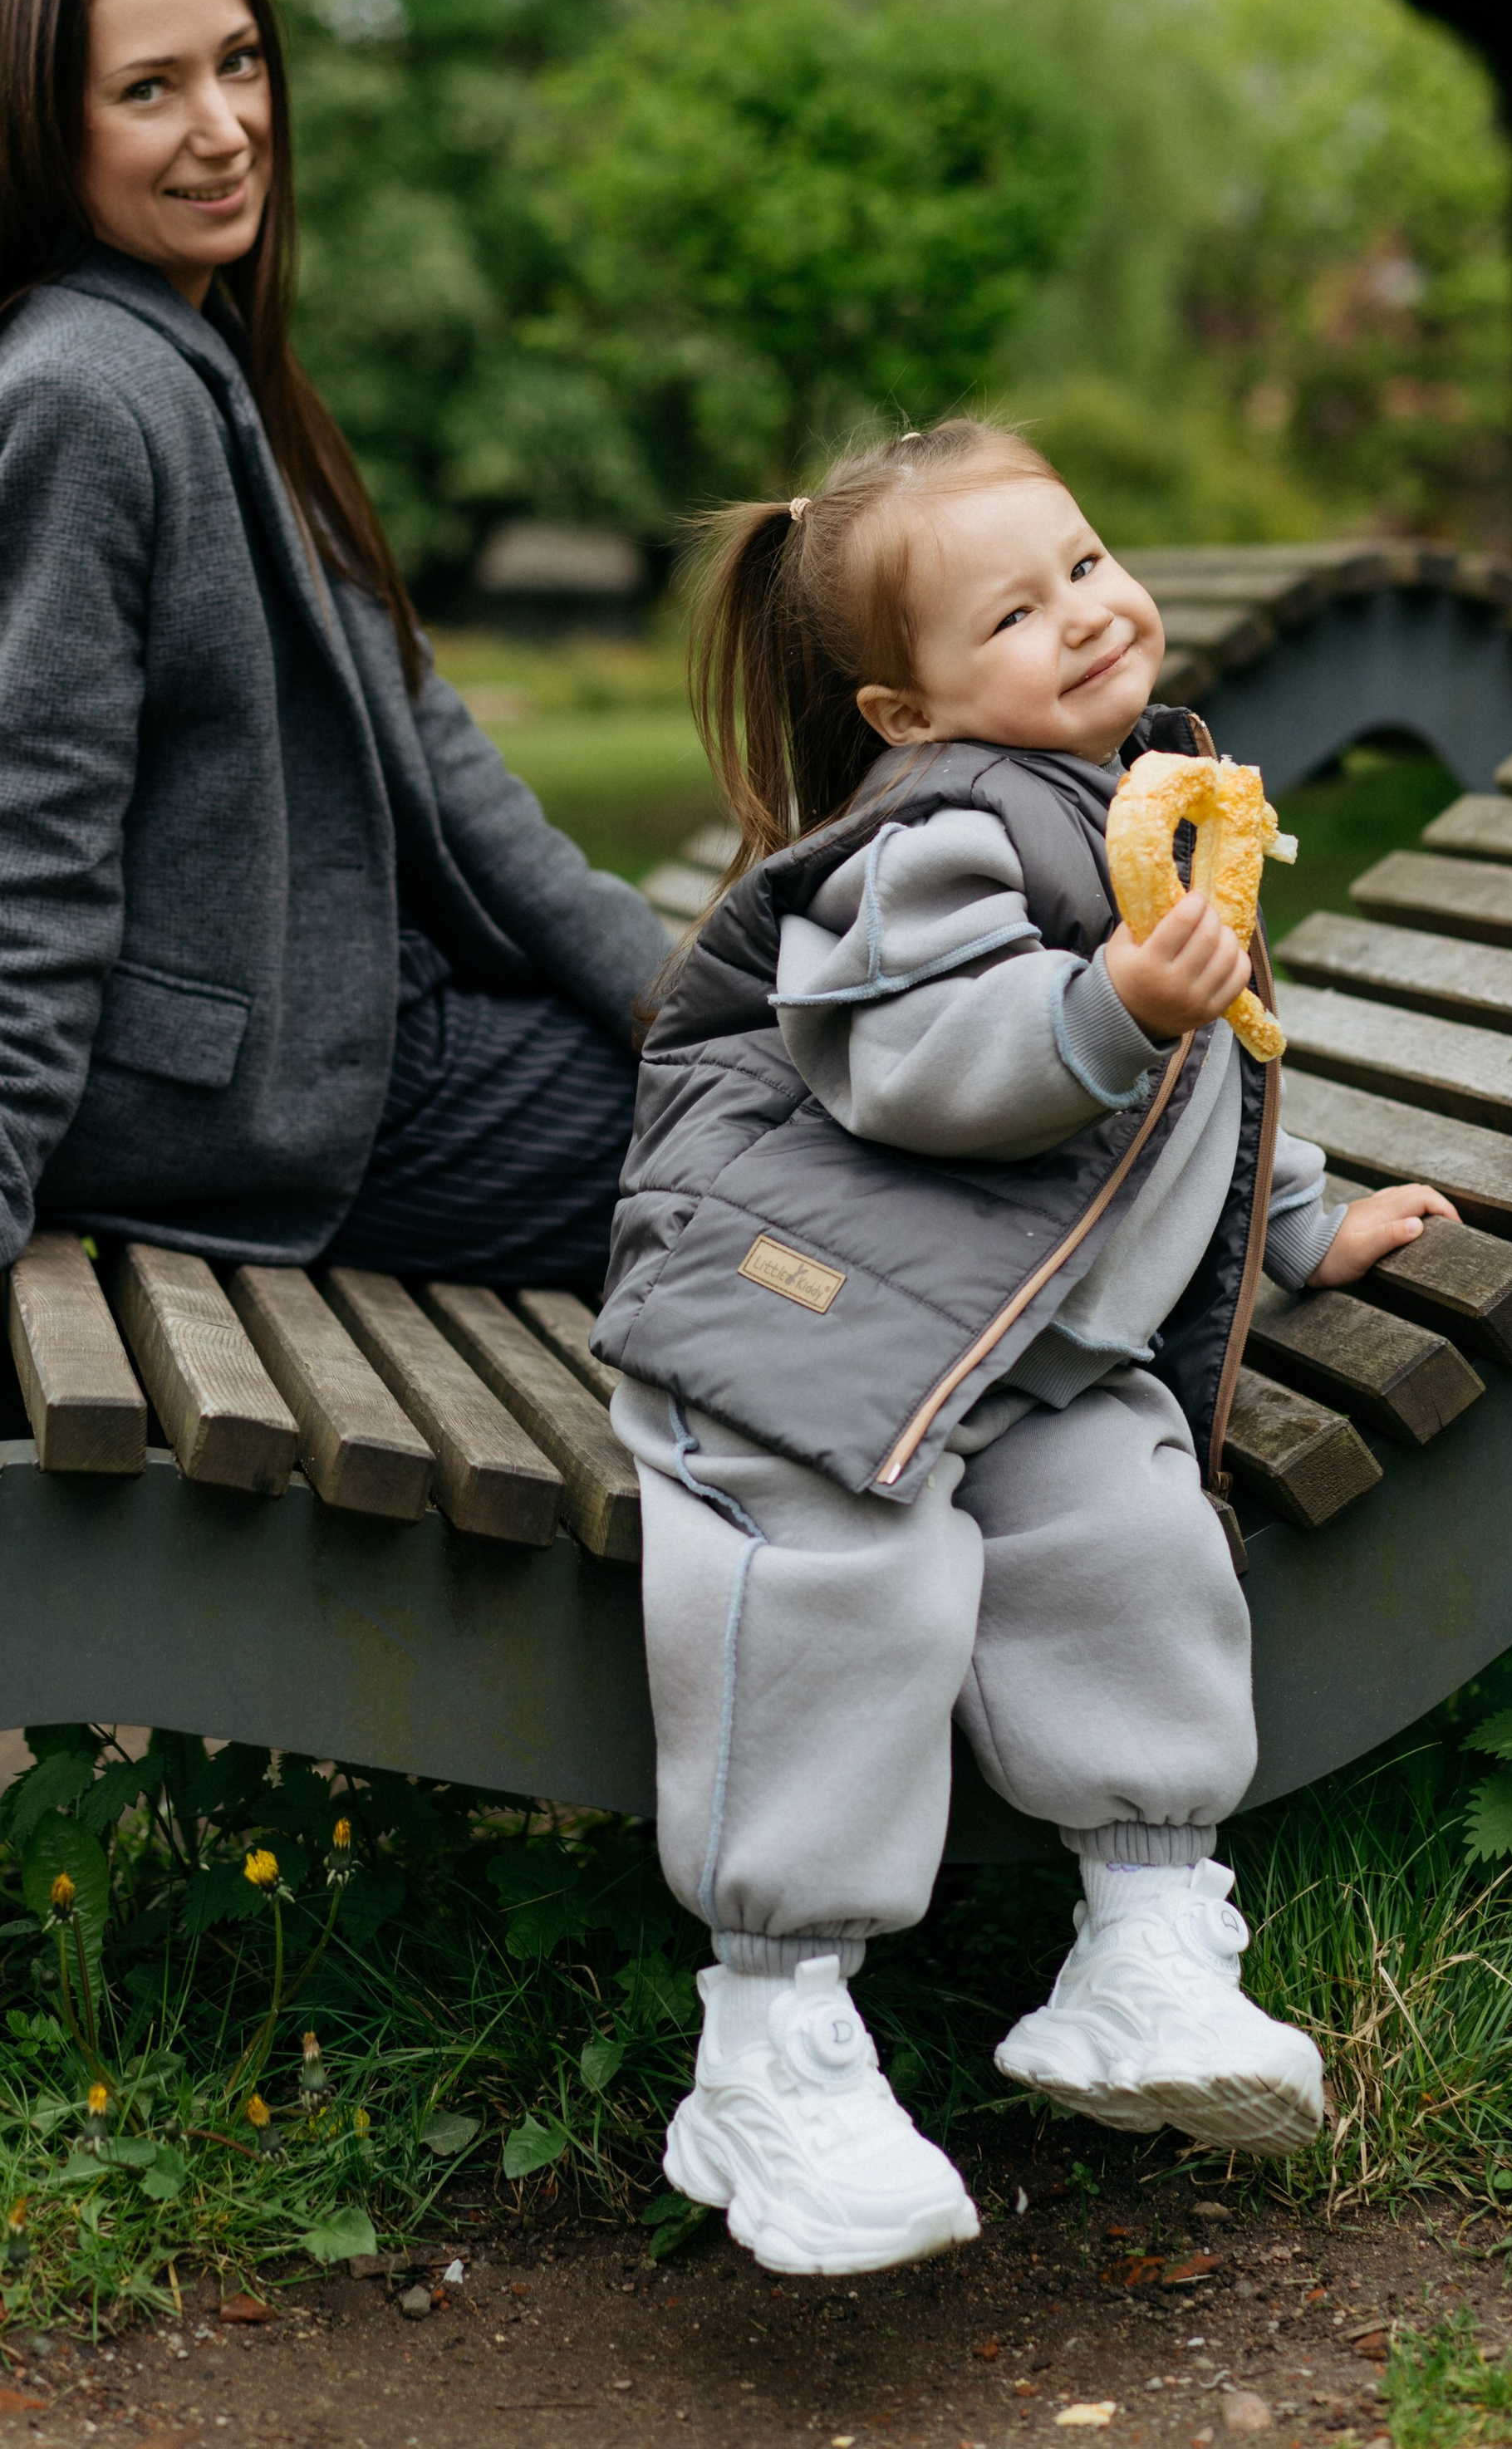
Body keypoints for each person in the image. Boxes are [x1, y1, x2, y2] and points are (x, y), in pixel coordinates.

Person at [593, 421, 1457, 2280]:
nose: (1079, 616)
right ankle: (768, 2038)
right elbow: (924, 1069)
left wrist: (1303, 1219)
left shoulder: (1147, 794)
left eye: (1080, 564)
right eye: (1011, 611)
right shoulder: (939, 836)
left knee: (1132, 1531)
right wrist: (1097, 1009)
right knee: (848, 1580)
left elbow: (1193, 1088)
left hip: (1009, 1353)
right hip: (798, 1326)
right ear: (909, 709)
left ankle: (1143, 1941)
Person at [0, 0, 665, 1343]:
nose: (224, 128)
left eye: (238, 63)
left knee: (783, 1087)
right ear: (42, 130)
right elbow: (17, 817)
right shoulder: (86, 402)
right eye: (149, 90)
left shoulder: (198, 352)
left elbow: (427, 742)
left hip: (342, 1029)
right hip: (266, 1097)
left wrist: (662, 991)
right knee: (803, 1159)